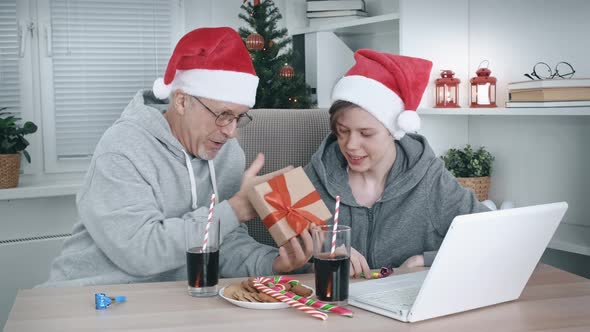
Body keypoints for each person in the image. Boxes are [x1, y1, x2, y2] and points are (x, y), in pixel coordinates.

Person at [39, 27, 312, 288]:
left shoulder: (227, 154)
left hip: (178, 299)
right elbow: (140, 253)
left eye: (239, 117)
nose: (230, 131)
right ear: (181, 101)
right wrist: (236, 209)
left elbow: (222, 241)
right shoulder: (122, 149)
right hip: (89, 295)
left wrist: (272, 264)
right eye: (223, 114)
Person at [304, 49, 489, 279]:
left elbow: (488, 235)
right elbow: (286, 257)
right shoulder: (313, 178)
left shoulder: (431, 179)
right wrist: (320, 256)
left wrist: (427, 260)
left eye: (366, 133)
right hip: (333, 305)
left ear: (394, 131)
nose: (350, 144)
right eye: (342, 131)